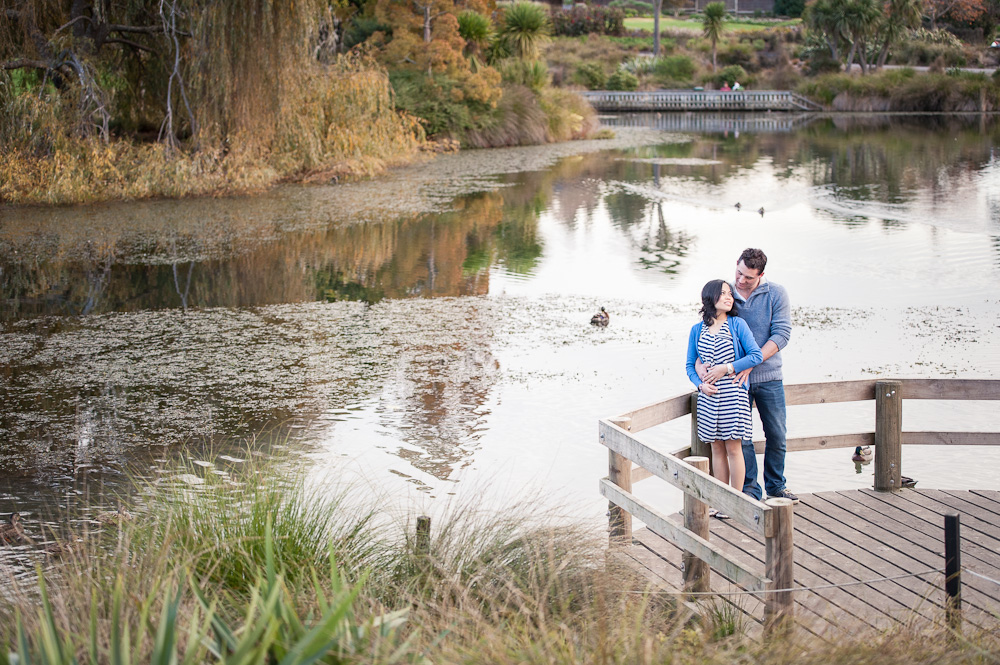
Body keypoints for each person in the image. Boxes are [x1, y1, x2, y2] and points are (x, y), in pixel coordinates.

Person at [696, 248, 797, 504]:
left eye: (748, 278)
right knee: (741, 439)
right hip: (732, 383)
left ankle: (776, 487)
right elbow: (705, 334)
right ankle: (750, 491)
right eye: (738, 273)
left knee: (776, 433)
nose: (741, 281)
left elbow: (782, 334)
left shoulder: (776, 294)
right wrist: (699, 369)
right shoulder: (724, 293)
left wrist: (750, 363)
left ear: (761, 275)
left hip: (768, 376)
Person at [686, 280, 763, 516]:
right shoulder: (697, 330)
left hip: (734, 395)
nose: (729, 297)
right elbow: (690, 364)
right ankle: (720, 502)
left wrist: (726, 368)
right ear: (710, 298)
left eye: (730, 294)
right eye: (723, 293)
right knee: (716, 449)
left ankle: (735, 502)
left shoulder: (737, 324)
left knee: (733, 448)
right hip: (709, 399)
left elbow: (756, 355)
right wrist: (700, 385)